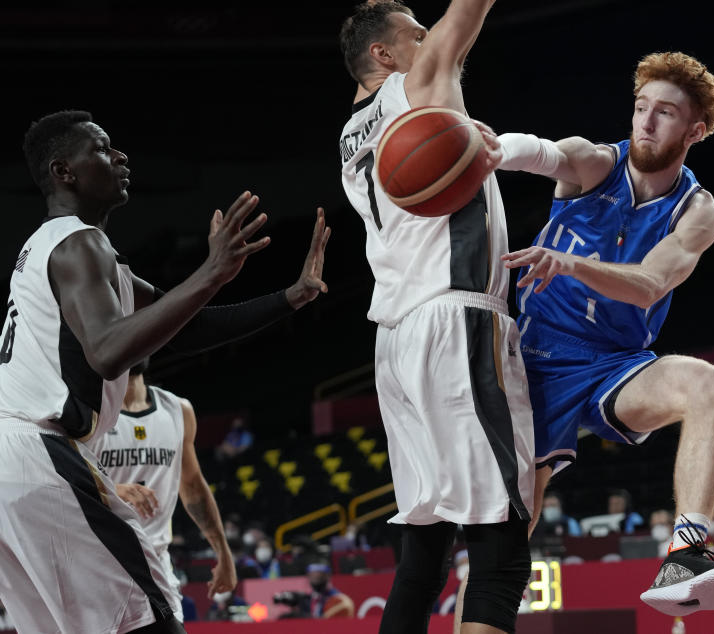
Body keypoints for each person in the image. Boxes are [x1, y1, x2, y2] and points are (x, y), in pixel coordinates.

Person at [0, 110, 331, 634]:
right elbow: (108, 352)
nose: (121, 156)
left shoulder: (74, 252)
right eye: (103, 149)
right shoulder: (76, 242)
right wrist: (211, 271)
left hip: (15, 462)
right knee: (149, 619)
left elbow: (190, 328)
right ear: (64, 171)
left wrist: (290, 297)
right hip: (39, 453)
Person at [493, 51, 714, 616]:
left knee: (708, 382)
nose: (646, 122)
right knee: (507, 549)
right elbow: (541, 153)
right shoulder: (593, 165)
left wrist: (568, 263)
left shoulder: (699, 211)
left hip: (614, 363)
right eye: (640, 108)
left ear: (695, 130)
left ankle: (687, 552)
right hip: (535, 362)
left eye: (664, 113)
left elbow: (649, 284)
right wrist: (489, 148)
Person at [338, 3, 534, 633]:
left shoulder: (352, 131)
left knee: (424, 551)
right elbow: (468, 11)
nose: (431, 42)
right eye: (415, 35)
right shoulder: (414, 87)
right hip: (455, 318)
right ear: (383, 56)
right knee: (501, 550)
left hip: (395, 340)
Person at [89, 358, 237, 623]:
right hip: (98, 564)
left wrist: (223, 551)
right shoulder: (88, 409)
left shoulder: (178, 409)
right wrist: (111, 488)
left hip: (156, 564)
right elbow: (60, 479)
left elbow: (192, 485)